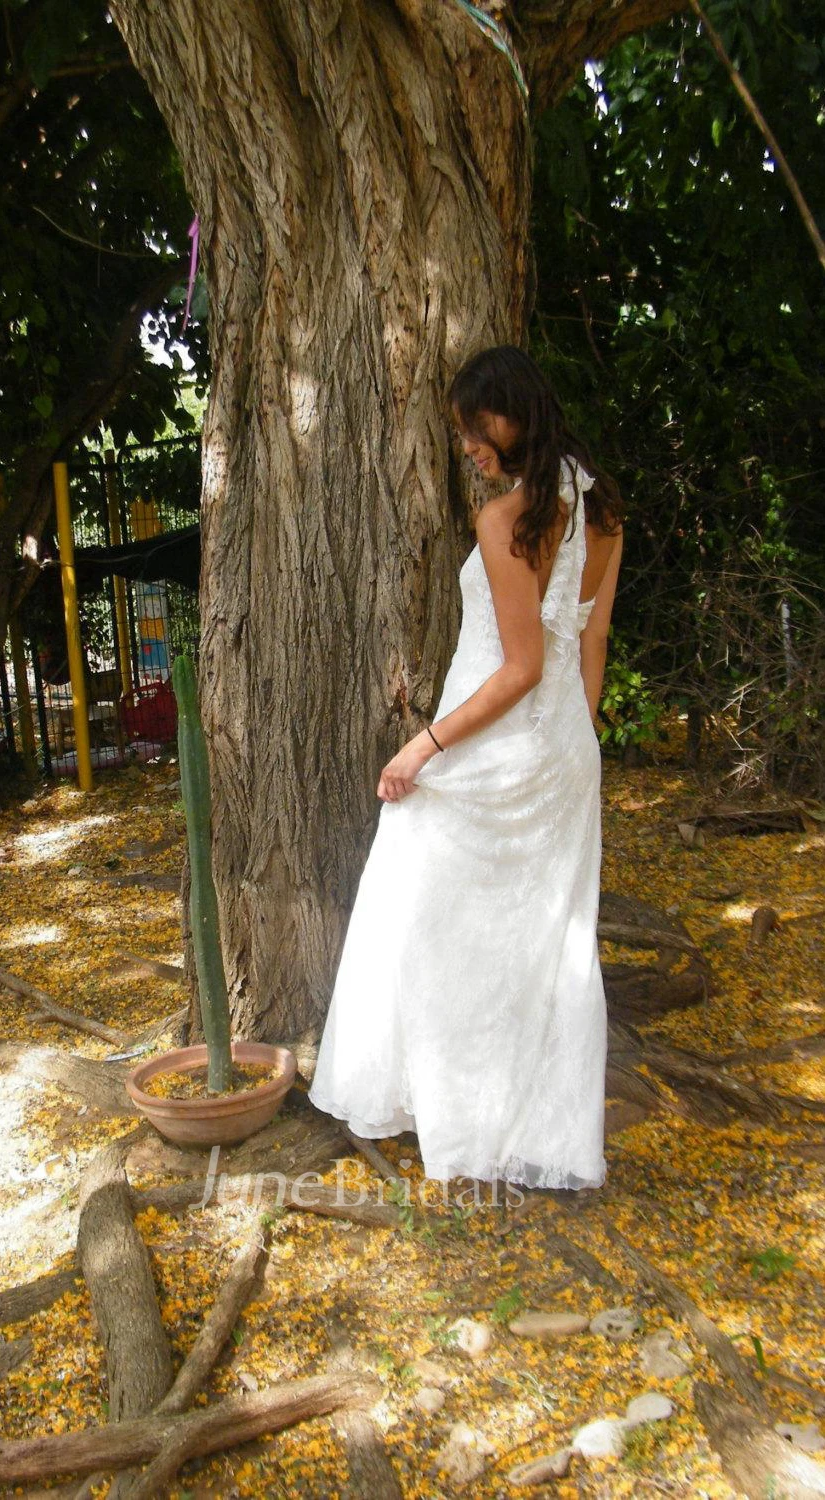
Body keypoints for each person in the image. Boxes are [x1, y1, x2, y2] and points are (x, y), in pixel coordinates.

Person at [308, 345, 624, 1199]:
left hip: (499, 744)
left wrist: (423, 745)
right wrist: (576, 746)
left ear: (518, 412)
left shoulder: (506, 520)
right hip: (560, 750)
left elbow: (522, 666)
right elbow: (587, 649)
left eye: (478, 427)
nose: (470, 445)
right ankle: (507, 1120)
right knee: (535, 941)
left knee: (425, 904)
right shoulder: (602, 513)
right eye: (463, 431)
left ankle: (462, 1115)